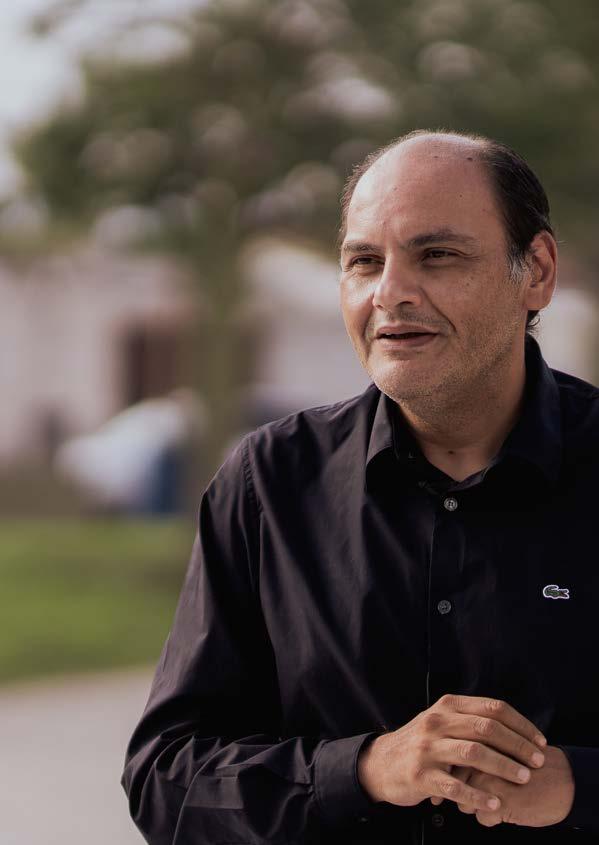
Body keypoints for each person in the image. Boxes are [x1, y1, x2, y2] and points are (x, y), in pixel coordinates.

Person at [120, 129, 599, 843]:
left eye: (437, 255)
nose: (390, 293)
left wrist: (578, 787)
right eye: (364, 262)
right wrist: (365, 768)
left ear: (536, 271)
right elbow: (166, 779)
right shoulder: (266, 486)